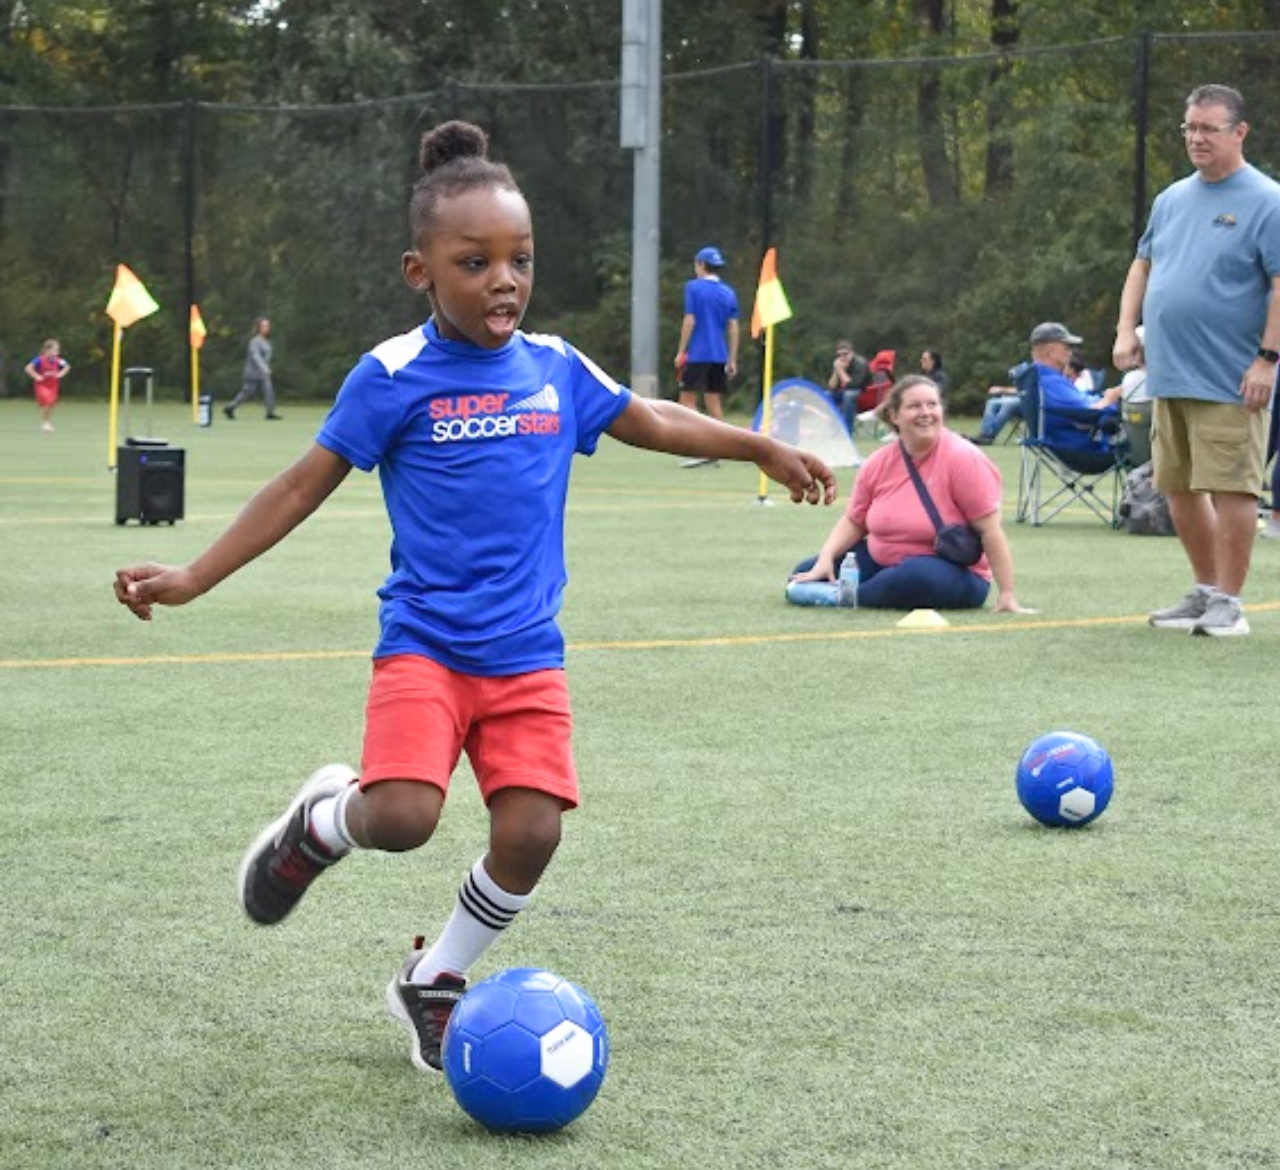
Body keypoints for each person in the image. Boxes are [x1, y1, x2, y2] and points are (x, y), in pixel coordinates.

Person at [113, 120, 836, 1075]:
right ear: (421, 271)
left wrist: (756, 444)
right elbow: (299, 484)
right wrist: (195, 574)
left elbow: (648, 419)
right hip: (425, 646)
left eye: (520, 259)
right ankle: (323, 821)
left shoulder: (555, 367)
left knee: (532, 832)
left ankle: (436, 978)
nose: (504, 279)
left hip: (526, 655)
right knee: (403, 818)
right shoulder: (392, 376)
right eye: (475, 261)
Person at [1114, 83, 1280, 637]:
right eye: (1190, 127)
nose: (1197, 138)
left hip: (1232, 376)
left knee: (1233, 487)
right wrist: (1124, 331)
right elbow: (1142, 266)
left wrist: (1267, 359)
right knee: (1179, 486)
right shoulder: (1171, 198)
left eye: (1209, 128)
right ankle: (1206, 590)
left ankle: (1229, 604)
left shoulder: (1267, 200)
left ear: (1240, 132)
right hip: (1169, 371)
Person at [790, 375, 1030, 612]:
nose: (926, 412)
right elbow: (855, 520)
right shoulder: (878, 462)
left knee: (913, 578)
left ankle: (849, 596)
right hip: (881, 561)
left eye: (932, 405)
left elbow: (990, 530)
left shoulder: (964, 458)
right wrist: (826, 557)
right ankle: (847, 591)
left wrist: (1007, 593)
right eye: (915, 406)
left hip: (950, 570)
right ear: (894, 416)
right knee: (805, 571)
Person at [674, 245, 739, 423]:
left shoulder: (693, 288)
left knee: (686, 400)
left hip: (697, 353)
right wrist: (732, 359)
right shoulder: (728, 293)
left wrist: (681, 351)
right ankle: (723, 443)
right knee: (713, 401)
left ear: (701, 264)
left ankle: (689, 439)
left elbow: (690, 321)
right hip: (719, 355)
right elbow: (733, 327)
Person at [224, 316, 282, 420]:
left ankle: (270, 412)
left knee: (269, 391)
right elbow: (256, 356)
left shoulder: (265, 341)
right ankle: (230, 407)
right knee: (246, 393)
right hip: (253, 373)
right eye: (264, 326)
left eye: (268, 326)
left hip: (263, 374)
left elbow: (266, 357)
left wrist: (266, 369)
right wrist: (264, 368)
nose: (267, 328)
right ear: (258, 327)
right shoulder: (255, 341)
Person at [25, 338, 69, 432]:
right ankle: (46, 423)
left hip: (53, 386)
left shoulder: (58, 360)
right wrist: (36, 376)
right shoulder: (39, 360)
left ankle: (46, 422)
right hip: (42, 385)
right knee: (47, 401)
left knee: (50, 404)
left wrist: (61, 374)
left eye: (57, 350)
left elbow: (67, 366)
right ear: (47, 350)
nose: (56, 353)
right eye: (54, 350)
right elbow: (28, 368)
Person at [827, 339, 871, 433]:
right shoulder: (839, 364)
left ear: (852, 353)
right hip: (847, 391)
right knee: (826, 395)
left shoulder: (860, 363)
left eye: (845, 354)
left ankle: (847, 431)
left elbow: (854, 385)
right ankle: (834, 427)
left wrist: (840, 370)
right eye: (840, 355)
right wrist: (836, 370)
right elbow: (832, 387)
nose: (843, 357)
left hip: (865, 392)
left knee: (848, 395)